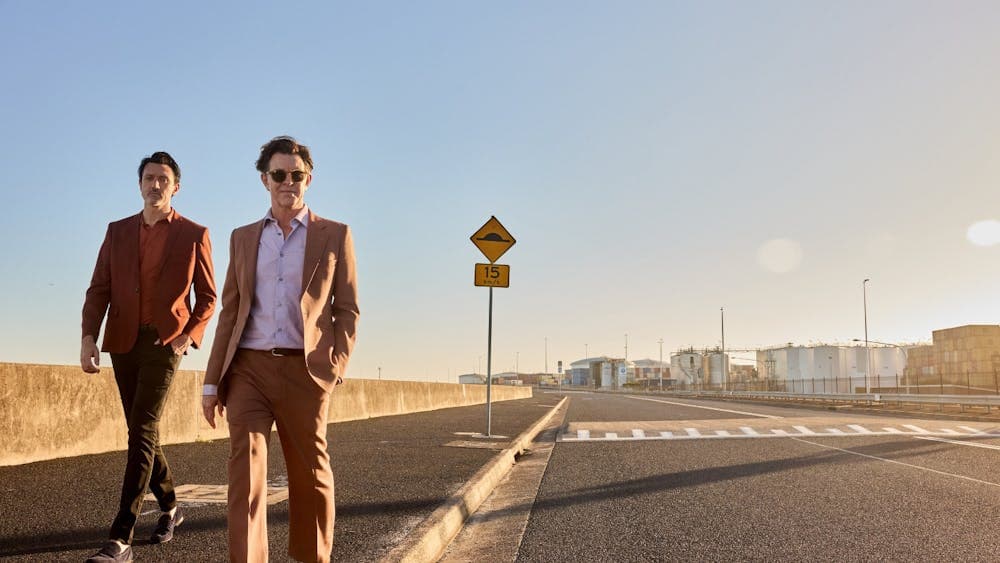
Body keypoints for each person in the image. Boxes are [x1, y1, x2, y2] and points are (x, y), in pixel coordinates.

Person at [203, 136, 359, 563]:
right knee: (244, 477)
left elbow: (347, 309)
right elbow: (229, 313)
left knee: (310, 476)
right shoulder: (242, 238)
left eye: (296, 175)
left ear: (308, 180)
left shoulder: (335, 235)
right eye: (278, 174)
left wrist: (335, 367)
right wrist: (212, 382)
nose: (288, 182)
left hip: (305, 371)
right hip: (248, 371)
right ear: (264, 180)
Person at [81, 151, 217, 562]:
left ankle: (121, 537)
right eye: (149, 178)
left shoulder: (194, 233)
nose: (155, 185)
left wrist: (186, 338)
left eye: (163, 179)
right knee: (144, 431)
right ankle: (172, 507)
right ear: (139, 184)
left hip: (164, 344)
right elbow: (99, 288)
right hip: (122, 340)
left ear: (176, 187)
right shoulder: (117, 231)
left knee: (140, 430)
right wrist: (89, 336)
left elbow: (209, 298)